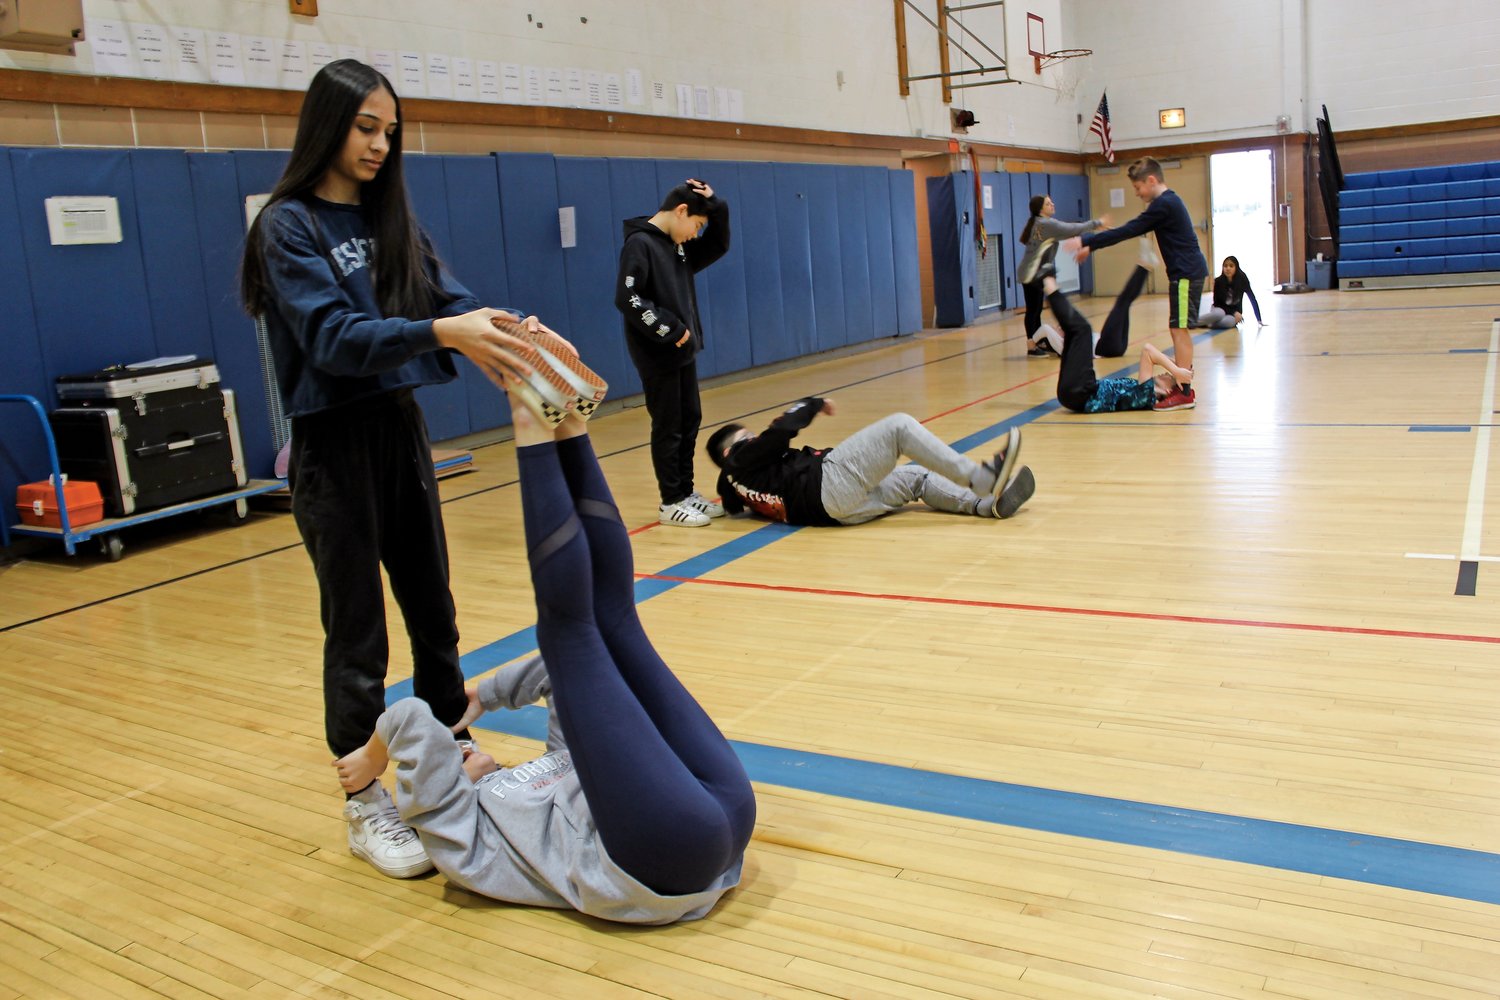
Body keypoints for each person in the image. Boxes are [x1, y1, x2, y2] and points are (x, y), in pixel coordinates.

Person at [240, 59, 566, 880]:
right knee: (358, 631)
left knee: (433, 607)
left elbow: (447, 302)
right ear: (328, 124)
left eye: (390, 130)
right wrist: (445, 335)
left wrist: (507, 334)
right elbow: (335, 339)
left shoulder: (394, 224)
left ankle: (451, 743)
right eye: (365, 127)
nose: (381, 144)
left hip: (398, 431)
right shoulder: (286, 226)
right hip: (331, 445)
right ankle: (364, 800)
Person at [333, 397, 756, 924]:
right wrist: (374, 757)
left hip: (722, 817)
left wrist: (483, 696)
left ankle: (571, 422)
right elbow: (412, 721)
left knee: (613, 622)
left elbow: (559, 684)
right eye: (454, 758)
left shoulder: (546, 769)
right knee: (571, 634)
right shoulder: (462, 835)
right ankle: (533, 422)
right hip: (663, 858)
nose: (461, 750)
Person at [705, 400, 1034, 525]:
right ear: (728, 452)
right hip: (828, 483)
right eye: (744, 435)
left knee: (914, 478)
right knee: (899, 427)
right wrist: (812, 404)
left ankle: (984, 505)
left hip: (836, 514)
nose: (751, 438)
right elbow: (779, 433)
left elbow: (732, 509)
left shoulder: (729, 484)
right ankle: (981, 478)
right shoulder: (739, 459)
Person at [615, 178, 731, 527]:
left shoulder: (675, 245)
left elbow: (718, 244)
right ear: (681, 211)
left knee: (689, 418)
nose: (695, 234)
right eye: (696, 225)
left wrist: (717, 206)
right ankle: (670, 501)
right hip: (658, 352)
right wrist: (670, 328)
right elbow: (628, 299)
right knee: (669, 425)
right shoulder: (640, 244)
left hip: (682, 351)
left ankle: (685, 490)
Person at [1062, 157, 1208, 411]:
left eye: (1138, 188)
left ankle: (1184, 392)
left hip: (1185, 274)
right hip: (1184, 272)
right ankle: (1182, 385)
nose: (1138, 194)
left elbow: (1128, 230)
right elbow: (1132, 229)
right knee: (1177, 329)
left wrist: (1088, 241)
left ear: (1151, 180)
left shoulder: (1165, 204)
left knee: (1179, 330)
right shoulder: (1167, 203)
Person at [1035, 263, 1194, 413]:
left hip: (1082, 392)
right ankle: (1047, 281)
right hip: (1076, 393)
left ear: (1166, 391)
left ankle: (1048, 281)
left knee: (1082, 330)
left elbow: (1148, 351)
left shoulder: (1148, 393)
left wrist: (1175, 371)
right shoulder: (1144, 391)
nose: (1165, 374)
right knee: (1073, 332)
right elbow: (1157, 358)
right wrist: (1179, 366)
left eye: (1168, 378)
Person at [1015, 194, 1104, 357]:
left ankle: (1036, 342)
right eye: (1048, 204)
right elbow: (1072, 229)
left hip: (1032, 272)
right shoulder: (1046, 224)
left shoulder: (1038, 223)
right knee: (1034, 310)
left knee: (1035, 310)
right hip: (1032, 273)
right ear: (1040, 209)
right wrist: (1096, 223)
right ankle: (1032, 344)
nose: (1052, 205)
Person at [1199, 255, 1264, 328]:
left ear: (1236, 267)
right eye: (1225, 266)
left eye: (1231, 266)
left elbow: (1252, 299)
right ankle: (1193, 323)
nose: (1228, 268)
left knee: (1228, 323)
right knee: (1219, 314)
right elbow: (1217, 303)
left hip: (1233, 314)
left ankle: (1209, 324)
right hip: (1220, 309)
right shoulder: (1218, 281)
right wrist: (1234, 312)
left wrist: (1259, 320)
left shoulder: (1242, 280)